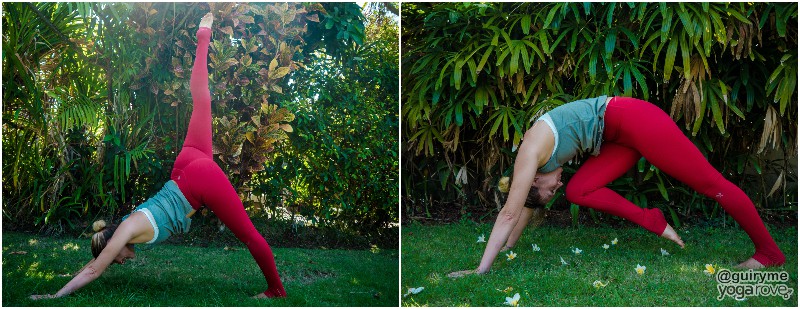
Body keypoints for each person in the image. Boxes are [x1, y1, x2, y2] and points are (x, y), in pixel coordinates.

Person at [30, 13, 286, 300]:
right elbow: (95, 262)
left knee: (249, 235)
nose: (121, 261)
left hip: (197, 181)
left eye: (115, 258)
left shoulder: (125, 231)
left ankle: (276, 290)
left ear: (112, 246)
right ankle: (204, 35)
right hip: (183, 170)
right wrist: (75, 272)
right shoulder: (122, 228)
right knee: (202, 101)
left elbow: (95, 269)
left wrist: (53, 298)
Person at [449, 95, 786, 278]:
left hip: (634, 120)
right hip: (618, 139)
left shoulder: (528, 157)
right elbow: (524, 207)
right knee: (578, 191)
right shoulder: (535, 171)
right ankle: (651, 219)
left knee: (711, 184)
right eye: (551, 191)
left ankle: (769, 253)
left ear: (534, 179)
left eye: (548, 189)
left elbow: (509, 211)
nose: (555, 186)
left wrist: (481, 269)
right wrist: (508, 247)